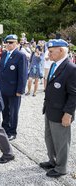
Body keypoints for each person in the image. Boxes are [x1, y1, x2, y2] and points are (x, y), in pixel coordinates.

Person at [40, 39, 76, 178]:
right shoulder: (55, 65)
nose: (48, 55)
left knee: (61, 141)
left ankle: (61, 168)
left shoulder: (71, 69)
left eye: (50, 51)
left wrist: (68, 113)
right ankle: (53, 160)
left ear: (61, 50)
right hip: (50, 109)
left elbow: (73, 95)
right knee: (49, 138)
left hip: (61, 112)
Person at [0, 34, 28, 141]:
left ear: (16, 43)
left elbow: (23, 74)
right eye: (7, 42)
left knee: (13, 112)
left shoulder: (20, 55)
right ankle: (5, 128)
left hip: (14, 89)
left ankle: (12, 131)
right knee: (4, 110)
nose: (8, 44)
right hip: (3, 88)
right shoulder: (4, 54)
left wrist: (20, 90)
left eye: (11, 42)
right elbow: (1, 71)